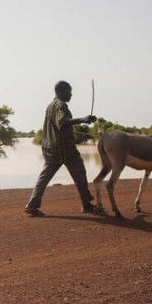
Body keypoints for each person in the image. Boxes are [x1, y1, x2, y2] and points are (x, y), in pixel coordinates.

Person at [25, 80, 100, 216]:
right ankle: (86, 205)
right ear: (62, 92)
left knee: (45, 177)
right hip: (64, 148)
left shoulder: (50, 106)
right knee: (80, 174)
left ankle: (32, 204)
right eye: (69, 92)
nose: (71, 95)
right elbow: (63, 122)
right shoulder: (60, 106)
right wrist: (82, 119)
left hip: (50, 148)